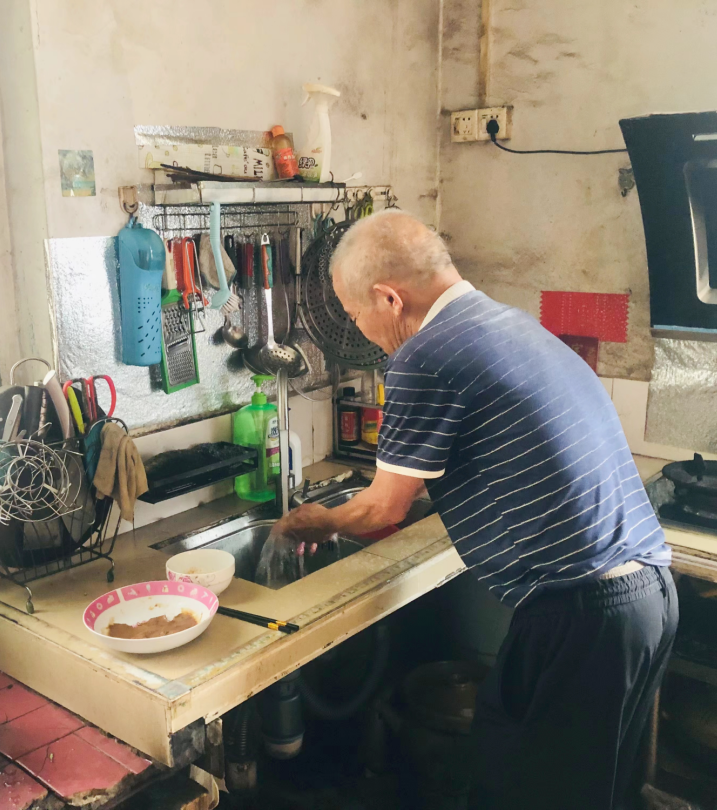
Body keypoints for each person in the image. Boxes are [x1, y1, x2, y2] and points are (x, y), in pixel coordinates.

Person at [273, 209, 677, 809]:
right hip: (647, 598)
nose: (362, 331)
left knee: (518, 792)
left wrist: (314, 520)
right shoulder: (506, 322)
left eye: (356, 315)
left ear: (389, 298)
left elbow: (384, 508)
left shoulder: (424, 356)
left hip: (583, 616)